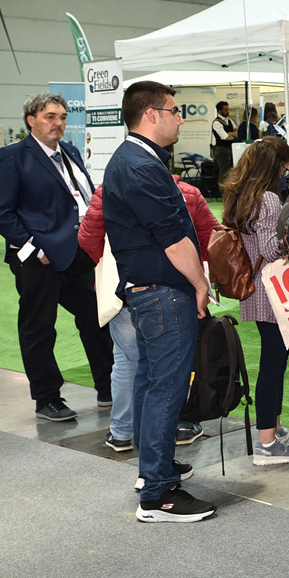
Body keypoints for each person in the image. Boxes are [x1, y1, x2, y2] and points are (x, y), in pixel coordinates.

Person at [103, 81, 215, 522]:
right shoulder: (139, 166)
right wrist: (200, 283)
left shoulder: (136, 160)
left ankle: (156, 468)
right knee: (166, 388)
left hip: (152, 291)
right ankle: (158, 495)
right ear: (151, 115)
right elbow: (171, 238)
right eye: (174, 110)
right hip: (162, 291)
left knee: (153, 384)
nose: (180, 119)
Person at [0, 92, 114, 422]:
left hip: (78, 255)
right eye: (50, 117)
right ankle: (47, 399)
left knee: (97, 318)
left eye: (62, 117)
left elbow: (81, 198)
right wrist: (34, 249)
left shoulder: (70, 152)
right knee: (39, 328)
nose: (58, 123)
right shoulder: (13, 156)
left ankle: (108, 387)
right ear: (31, 120)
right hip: (39, 259)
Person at [80, 174, 217, 456]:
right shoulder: (186, 193)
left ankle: (122, 432)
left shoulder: (108, 189)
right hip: (174, 290)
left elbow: (88, 239)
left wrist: (113, 264)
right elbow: (210, 237)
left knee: (128, 361)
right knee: (170, 367)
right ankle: (170, 429)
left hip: (123, 289)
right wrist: (197, 276)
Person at [222, 135, 289, 465]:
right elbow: (273, 250)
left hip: (256, 291)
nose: (287, 171)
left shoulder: (241, 195)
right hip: (271, 292)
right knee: (273, 365)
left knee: (273, 362)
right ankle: (267, 443)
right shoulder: (269, 200)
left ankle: (273, 428)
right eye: (284, 166)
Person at [210, 101, 237, 184]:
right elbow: (226, 137)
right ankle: (222, 190)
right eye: (225, 110)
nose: (227, 112)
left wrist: (229, 133)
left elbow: (237, 133)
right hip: (221, 149)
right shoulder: (216, 122)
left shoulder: (230, 120)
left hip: (231, 148)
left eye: (228, 110)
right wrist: (232, 135)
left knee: (231, 170)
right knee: (224, 171)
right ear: (219, 111)